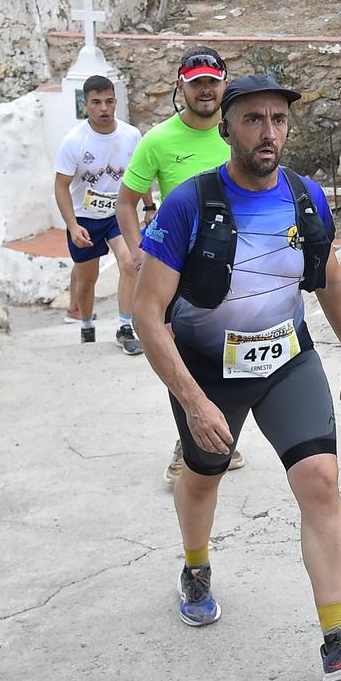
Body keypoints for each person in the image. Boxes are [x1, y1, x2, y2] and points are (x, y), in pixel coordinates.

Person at [134, 71, 341, 681]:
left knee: (321, 480)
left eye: (278, 119)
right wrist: (194, 403)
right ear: (226, 128)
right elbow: (148, 314)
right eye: (253, 119)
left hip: (287, 360)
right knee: (204, 478)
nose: (268, 132)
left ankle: (338, 641)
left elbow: (327, 273)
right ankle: (196, 565)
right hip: (206, 369)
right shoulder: (188, 204)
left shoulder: (307, 197)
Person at [119, 47, 243, 471]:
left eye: (212, 81)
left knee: (232, 347)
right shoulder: (157, 141)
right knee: (184, 353)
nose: (205, 90)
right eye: (197, 83)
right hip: (180, 266)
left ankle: (225, 432)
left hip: (238, 262)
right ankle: (188, 440)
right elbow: (126, 202)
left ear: (224, 83)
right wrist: (141, 255)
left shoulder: (239, 132)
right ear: (181, 86)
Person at [53, 76, 144, 355]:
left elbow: (141, 175)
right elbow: (61, 186)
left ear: (115, 102)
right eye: (96, 102)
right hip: (85, 219)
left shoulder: (131, 135)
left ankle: (125, 327)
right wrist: (71, 225)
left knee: (129, 263)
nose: (103, 108)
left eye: (108, 102)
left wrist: (149, 207)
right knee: (86, 279)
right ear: (86, 104)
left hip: (118, 214)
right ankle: (86, 323)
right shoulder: (74, 141)